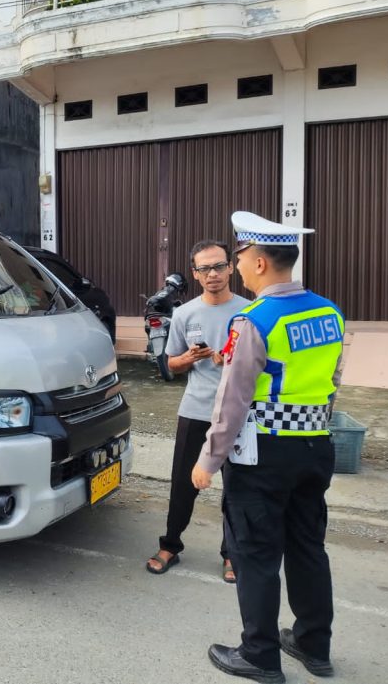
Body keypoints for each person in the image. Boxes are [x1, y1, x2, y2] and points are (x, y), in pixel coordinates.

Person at [192, 211, 344, 684]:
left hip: (263, 455)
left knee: (255, 553)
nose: (234, 267)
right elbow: (332, 382)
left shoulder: (254, 319)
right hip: (316, 446)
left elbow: (232, 400)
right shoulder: (329, 312)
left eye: (239, 258)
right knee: (307, 546)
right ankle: (313, 646)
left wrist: (208, 459)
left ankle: (259, 655)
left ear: (259, 263)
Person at [146, 240, 248, 582]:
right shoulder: (185, 314)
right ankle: (170, 545)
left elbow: (263, 367)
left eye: (219, 266)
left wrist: (228, 359)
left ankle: (231, 553)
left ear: (231, 267)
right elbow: (170, 365)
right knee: (182, 484)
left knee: (236, 488)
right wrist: (188, 359)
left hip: (239, 415)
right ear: (195, 274)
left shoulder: (250, 311)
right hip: (195, 409)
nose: (213, 274)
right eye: (204, 269)